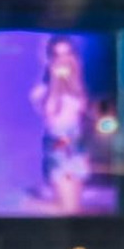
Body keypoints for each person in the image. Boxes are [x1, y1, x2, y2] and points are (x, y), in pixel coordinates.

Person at [30, 36, 91, 214]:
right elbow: (51, 118)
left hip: (77, 146)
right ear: (50, 59)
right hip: (58, 146)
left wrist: (73, 78)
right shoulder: (41, 90)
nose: (63, 59)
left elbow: (84, 110)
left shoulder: (78, 84)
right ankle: (23, 203)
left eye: (68, 53)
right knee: (68, 208)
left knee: (75, 209)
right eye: (57, 55)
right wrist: (56, 81)